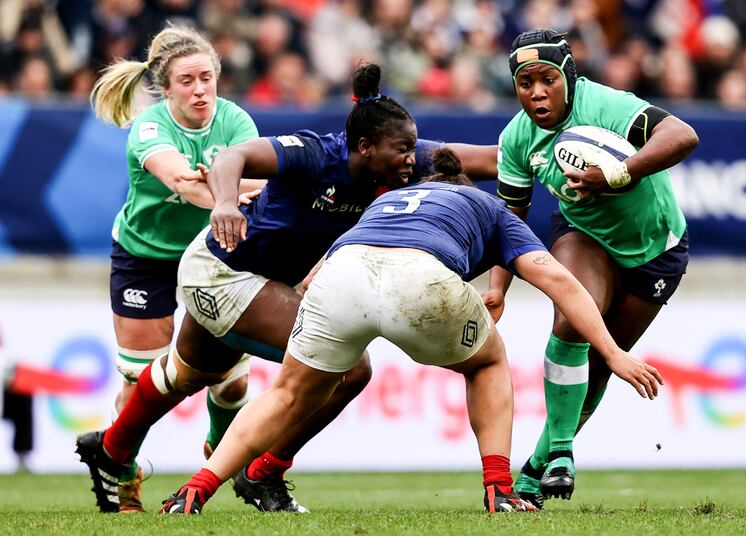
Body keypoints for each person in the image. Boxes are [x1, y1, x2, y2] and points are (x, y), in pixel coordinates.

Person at [76, 63, 498, 514]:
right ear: (365, 148)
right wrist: (223, 203)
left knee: (186, 373)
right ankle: (264, 472)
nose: (414, 161)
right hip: (222, 270)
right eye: (404, 150)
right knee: (349, 368)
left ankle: (112, 448)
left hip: (256, 278)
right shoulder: (314, 153)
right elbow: (229, 160)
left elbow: (488, 159)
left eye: (415, 149)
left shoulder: (397, 158)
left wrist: (547, 145)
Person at [158, 148, 662, 515]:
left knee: (289, 392)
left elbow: (314, 277)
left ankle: (196, 490)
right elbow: (559, 280)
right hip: (421, 279)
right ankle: (499, 489)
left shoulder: (385, 203)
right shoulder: (488, 207)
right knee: (487, 362)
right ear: (464, 185)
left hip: (342, 272)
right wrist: (613, 353)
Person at [492, 29, 699, 507]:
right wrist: (497, 287)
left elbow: (683, 135)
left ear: (568, 75)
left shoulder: (609, 106)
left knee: (604, 365)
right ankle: (563, 453)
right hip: (584, 236)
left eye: (547, 79)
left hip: (656, 249)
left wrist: (616, 173)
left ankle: (533, 473)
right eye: (525, 83)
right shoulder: (517, 139)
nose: (537, 92)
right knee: (573, 324)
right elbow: (508, 217)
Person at [79, 24, 266, 513]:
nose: (200, 89)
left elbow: (259, 185)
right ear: (165, 88)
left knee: (234, 382)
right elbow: (185, 182)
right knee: (140, 381)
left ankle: (220, 451)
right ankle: (123, 479)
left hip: (214, 254)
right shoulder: (149, 127)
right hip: (146, 259)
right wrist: (224, 190)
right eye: (187, 80)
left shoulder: (236, 121)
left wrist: (230, 189)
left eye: (207, 77)